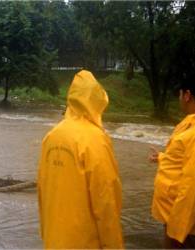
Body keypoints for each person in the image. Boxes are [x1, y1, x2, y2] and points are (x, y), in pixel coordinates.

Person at [37, 70, 124, 249]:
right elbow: (106, 200)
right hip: (84, 242)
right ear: (98, 102)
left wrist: (47, 235)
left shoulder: (52, 135)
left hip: (54, 240)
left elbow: (42, 190)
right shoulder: (95, 139)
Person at [149, 72, 195, 248]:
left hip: (188, 229)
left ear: (187, 95)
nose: (179, 99)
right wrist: (164, 158)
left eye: (179, 94)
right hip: (181, 220)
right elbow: (192, 162)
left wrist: (177, 232)